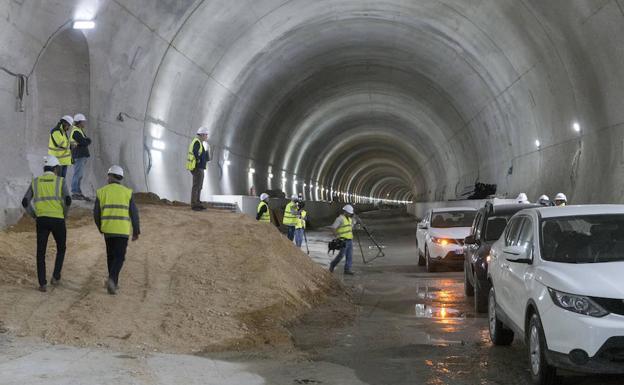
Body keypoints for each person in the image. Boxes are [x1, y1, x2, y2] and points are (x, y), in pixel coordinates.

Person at [21, 155, 72, 292]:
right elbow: (67, 200)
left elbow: (25, 202)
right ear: (55, 168)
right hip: (58, 219)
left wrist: (34, 215)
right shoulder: (60, 181)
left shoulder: (36, 182)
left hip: (42, 220)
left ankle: (42, 283)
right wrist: (64, 214)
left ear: (44, 168)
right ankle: (55, 276)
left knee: (41, 252)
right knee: (61, 248)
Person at [93, 165, 140, 295]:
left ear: (110, 176)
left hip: (108, 229)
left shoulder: (101, 191)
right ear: (120, 178)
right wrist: (136, 230)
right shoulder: (127, 192)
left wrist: (100, 227)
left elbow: (96, 213)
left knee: (111, 255)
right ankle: (112, 280)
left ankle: (113, 282)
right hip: (122, 230)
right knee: (119, 257)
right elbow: (134, 213)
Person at [186, 126, 210, 211]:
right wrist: (199, 160)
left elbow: (200, 153)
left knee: (199, 186)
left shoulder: (200, 142)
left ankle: (197, 202)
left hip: (200, 168)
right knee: (196, 186)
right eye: (206, 135)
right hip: (196, 167)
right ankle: (194, 204)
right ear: (202, 134)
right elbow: (195, 152)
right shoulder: (197, 142)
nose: (207, 136)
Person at [69, 113, 92, 200]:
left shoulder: (79, 130)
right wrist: (87, 140)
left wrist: (86, 140)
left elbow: (86, 141)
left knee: (79, 175)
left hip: (81, 155)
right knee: (77, 174)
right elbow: (85, 142)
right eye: (83, 122)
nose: (84, 123)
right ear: (79, 122)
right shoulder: (76, 131)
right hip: (79, 155)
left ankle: (78, 192)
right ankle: (75, 192)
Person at [329, 204, 356, 275]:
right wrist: (337, 237)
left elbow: (350, 228)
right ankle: (332, 265)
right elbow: (333, 228)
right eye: (349, 213)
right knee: (341, 255)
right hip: (343, 240)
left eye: (351, 213)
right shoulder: (340, 219)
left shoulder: (350, 219)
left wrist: (354, 222)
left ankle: (347, 269)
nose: (350, 214)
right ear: (345, 212)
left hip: (350, 240)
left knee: (349, 255)